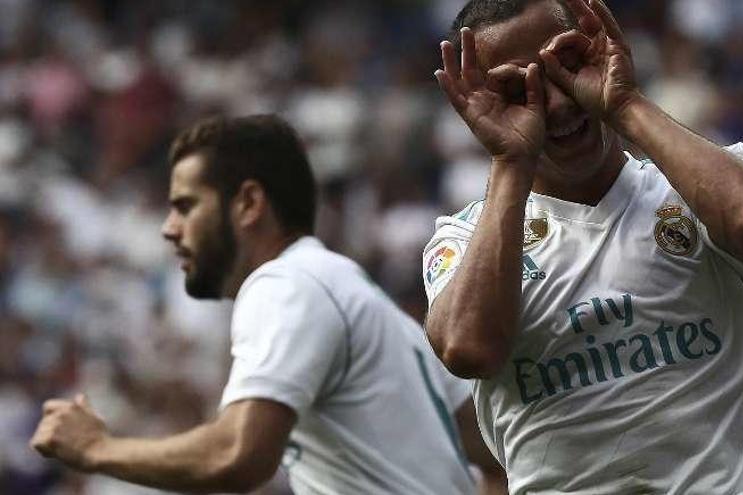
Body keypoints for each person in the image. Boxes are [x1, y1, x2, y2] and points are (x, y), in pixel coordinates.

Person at [424, 0, 743, 493]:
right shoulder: (464, 238)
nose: (555, 104)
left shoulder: (694, 191)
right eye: (518, 89)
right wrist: (512, 159)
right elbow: (468, 349)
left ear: (597, 47)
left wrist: (625, 104)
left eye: (567, 65)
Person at [30, 115, 504, 494]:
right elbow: (497, 459)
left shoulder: (287, 283)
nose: (169, 228)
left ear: (249, 203)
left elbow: (237, 455)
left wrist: (96, 449)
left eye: (186, 206)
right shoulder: (354, 292)